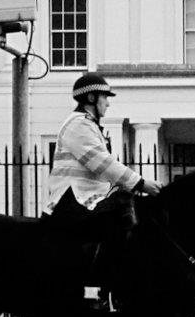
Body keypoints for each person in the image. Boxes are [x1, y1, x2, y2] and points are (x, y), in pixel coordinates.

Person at [45, 72, 161, 213]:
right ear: (91, 98)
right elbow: (104, 164)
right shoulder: (78, 125)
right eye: (105, 97)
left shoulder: (87, 124)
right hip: (74, 199)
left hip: (85, 197)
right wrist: (141, 184)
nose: (108, 103)